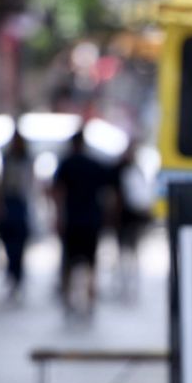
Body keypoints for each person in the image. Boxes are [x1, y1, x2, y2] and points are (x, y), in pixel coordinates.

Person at [51, 130, 110, 318]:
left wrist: (58, 217)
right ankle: (90, 299)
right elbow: (107, 193)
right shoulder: (93, 164)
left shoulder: (66, 164)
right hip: (91, 220)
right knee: (91, 262)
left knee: (69, 261)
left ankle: (69, 299)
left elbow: (57, 192)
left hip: (73, 220)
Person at [108, 140, 152, 302]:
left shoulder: (134, 170)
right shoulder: (124, 170)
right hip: (126, 218)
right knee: (125, 253)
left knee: (130, 253)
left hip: (132, 218)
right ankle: (125, 286)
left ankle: (128, 286)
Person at [0, 130, 34, 301]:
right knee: (10, 245)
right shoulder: (7, 160)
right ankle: (12, 275)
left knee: (19, 245)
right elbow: (1, 183)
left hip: (21, 205)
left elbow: (30, 185)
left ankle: (18, 277)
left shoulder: (27, 160)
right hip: (9, 204)